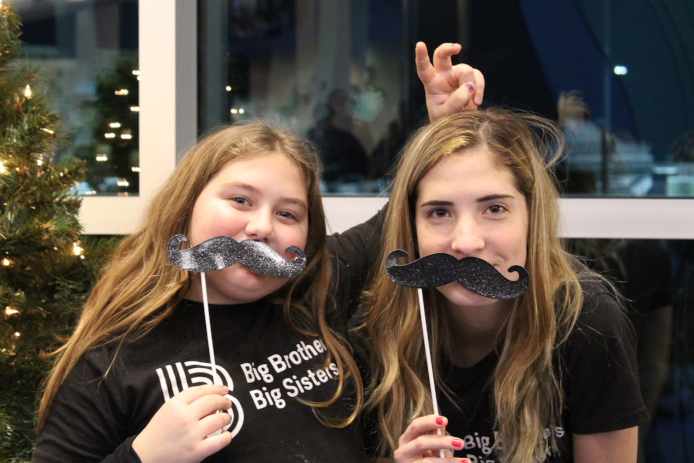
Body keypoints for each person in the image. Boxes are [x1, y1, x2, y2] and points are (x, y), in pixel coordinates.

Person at [32, 41, 484, 463]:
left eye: (288, 215)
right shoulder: (111, 362)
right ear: (186, 207)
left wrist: (447, 126)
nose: (262, 227)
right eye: (240, 200)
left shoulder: (316, 295)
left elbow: (399, 215)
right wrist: (145, 456)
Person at [357, 108, 649, 463]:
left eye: (494, 209)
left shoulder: (586, 321)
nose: (466, 243)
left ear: (531, 217)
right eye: (439, 213)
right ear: (411, 227)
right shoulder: (376, 326)